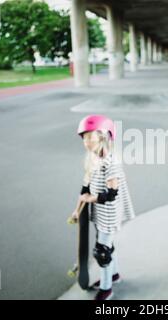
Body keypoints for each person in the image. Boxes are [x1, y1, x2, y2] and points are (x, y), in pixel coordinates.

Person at [71, 115, 135, 300]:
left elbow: (111, 194)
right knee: (107, 246)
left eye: (91, 137)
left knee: (102, 252)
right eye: (85, 138)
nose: (87, 142)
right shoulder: (93, 160)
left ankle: (107, 288)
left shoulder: (111, 163)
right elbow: (84, 189)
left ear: (104, 137)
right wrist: (77, 209)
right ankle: (114, 275)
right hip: (99, 214)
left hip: (109, 214)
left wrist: (90, 198)